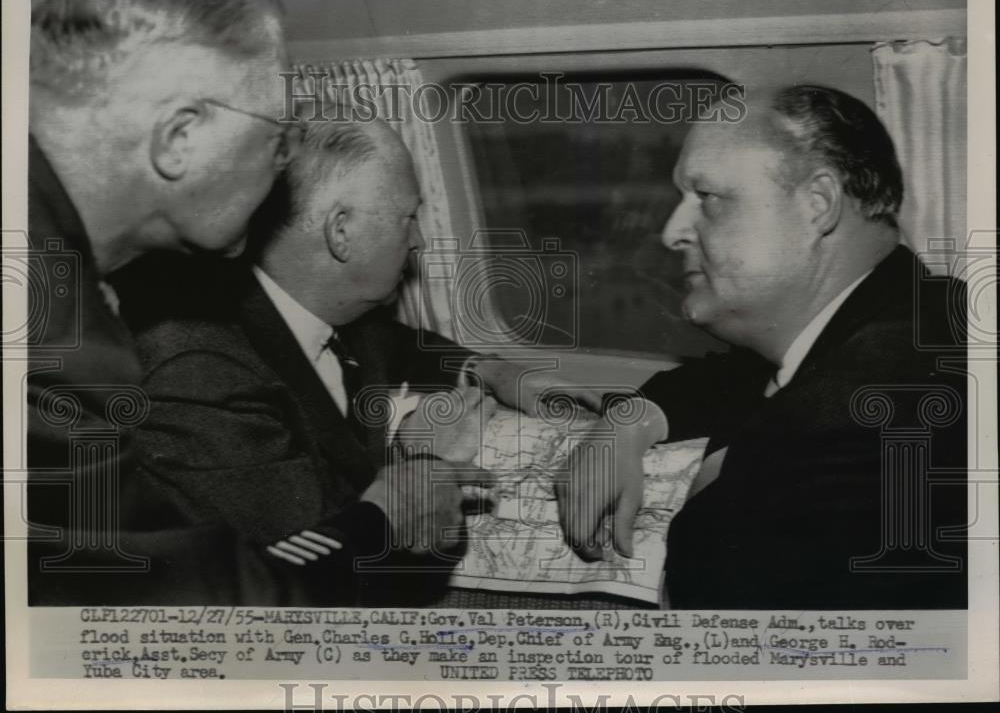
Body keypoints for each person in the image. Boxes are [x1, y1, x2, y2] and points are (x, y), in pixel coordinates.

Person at [114, 112, 600, 605]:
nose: (419, 242)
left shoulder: (327, 313)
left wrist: (494, 370)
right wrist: (424, 462)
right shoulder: (201, 372)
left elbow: (397, 345)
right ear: (340, 231)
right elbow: (324, 582)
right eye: (406, 218)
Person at [26, 0, 362, 605]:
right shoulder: (50, 332)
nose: (282, 166)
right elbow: (202, 610)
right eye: (278, 135)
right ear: (179, 138)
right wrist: (386, 524)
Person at [558, 84, 967, 609]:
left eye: (707, 198)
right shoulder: (919, 315)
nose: (670, 232)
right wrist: (627, 422)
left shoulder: (859, 428)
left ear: (817, 204)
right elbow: (741, 374)